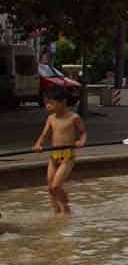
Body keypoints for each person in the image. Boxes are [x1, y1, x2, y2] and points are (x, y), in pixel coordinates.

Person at [32, 86, 86, 215]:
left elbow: (83, 132)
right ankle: (56, 211)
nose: (47, 106)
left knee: (56, 186)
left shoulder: (74, 117)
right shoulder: (51, 119)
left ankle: (66, 209)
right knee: (50, 187)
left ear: (63, 102)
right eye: (46, 103)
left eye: (51, 103)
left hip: (67, 156)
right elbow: (44, 135)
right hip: (54, 156)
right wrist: (38, 144)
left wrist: (81, 141)